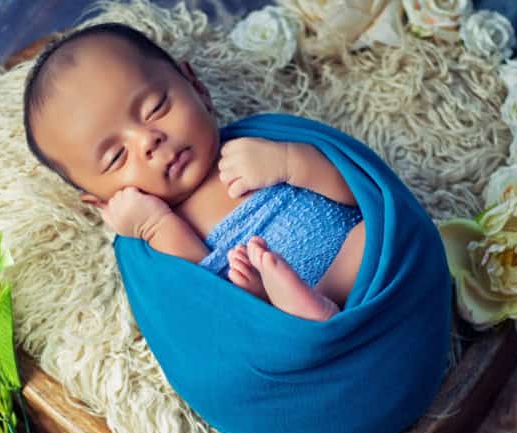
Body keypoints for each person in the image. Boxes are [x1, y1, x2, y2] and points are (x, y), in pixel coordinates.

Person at [22, 22, 366, 321]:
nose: (148, 141)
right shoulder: (160, 236)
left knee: (367, 235)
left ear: (197, 87)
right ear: (103, 202)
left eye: (155, 107)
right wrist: (155, 225)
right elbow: (205, 305)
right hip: (275, 313)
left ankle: (317, 308)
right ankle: (304, 320)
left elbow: (358, 191)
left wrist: (291, 162)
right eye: (116, 157)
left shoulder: (263, 141)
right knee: (245, 308)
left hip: (366, 269)